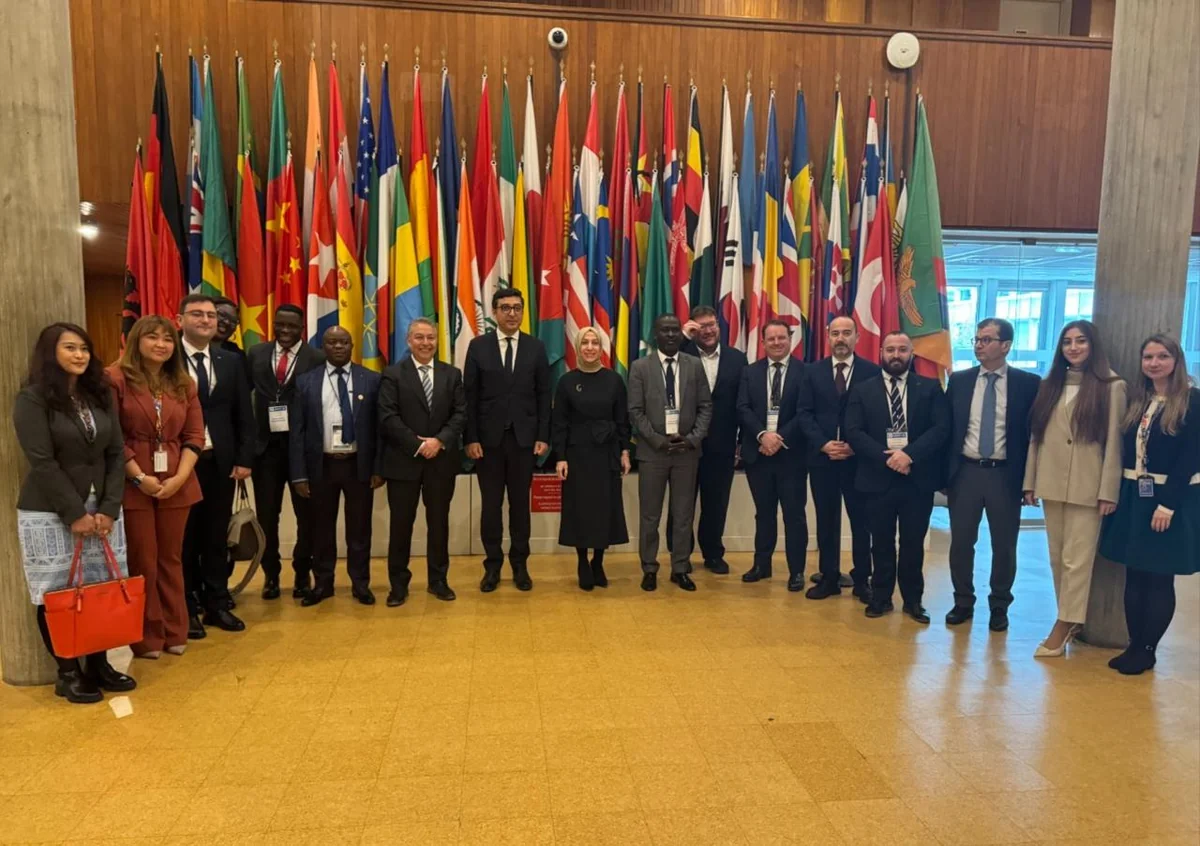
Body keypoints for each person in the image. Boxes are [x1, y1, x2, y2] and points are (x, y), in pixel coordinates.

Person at [14, 323, 137, 703]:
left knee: (100, 585)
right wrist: (74, 513)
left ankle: (99, 665)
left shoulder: (98, 394)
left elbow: (115, 453)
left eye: (84, 348)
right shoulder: (33, 399)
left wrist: (109, 508)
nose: (80, 355)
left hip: (102, 509)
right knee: (56, 592)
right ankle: (67, 672)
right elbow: (41, 461)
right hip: (51, 509)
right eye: (70, 348)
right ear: (50, 352)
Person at [1024, 320, 1126, 658]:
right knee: (1056, 557)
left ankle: (1066, 621)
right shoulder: (1049, 385)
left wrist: (1108, 490)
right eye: (1067, 342)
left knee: (1076, 560)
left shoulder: (1111, 386)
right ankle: (1068, 616)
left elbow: (1115, 443)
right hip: (1052, 482)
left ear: (1092, 345)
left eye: (1081, 341)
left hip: (1088, 485)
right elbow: (1036, 438)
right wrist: (1030, 481)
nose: (1074, 347)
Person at [1099, 334, 1198, 675]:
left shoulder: (1193, 401)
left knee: (1158, 576)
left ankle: (1147, 649)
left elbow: (1191, 457)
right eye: (1148, 357)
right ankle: (1134, 643)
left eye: (1162, 356)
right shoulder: (1139, 400)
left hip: (1170, 499)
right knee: (1135, 573)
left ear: (1176, 360)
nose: (1154, 363)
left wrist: (1167, 505)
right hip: (1135, 495)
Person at [108, 316, 205, 658]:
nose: (161, 344)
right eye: (153, 337)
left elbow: (195, 435)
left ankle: (175, 630)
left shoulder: (183, 383)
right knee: (143, 559)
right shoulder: (114, 379)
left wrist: (179, 477)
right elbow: (112, 436)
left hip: (177, 480)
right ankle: (148, 637)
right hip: (133, 481)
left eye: (167, 339)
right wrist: (138, 477)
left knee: (171, 558)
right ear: (136, 340)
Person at [845, 331, 949, 623]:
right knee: (881, 542)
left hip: (917, 479)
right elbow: (853, 431)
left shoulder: (930, 388)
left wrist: (909, 455)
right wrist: (889, 458)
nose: (896, 355)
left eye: (902, 349)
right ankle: (881, 597)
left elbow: (941, 429)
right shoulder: (862, 390)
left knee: (913, 543)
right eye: (890, 349)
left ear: (911, 354)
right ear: (881, 353)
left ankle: (913, 601)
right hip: (877, 479)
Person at [944, 318, 1041, 632]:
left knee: (1004, 545)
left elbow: (1035, 435)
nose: (978, 345)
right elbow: (948, 429)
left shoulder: (1028, 384)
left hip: (1005, 475)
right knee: (961, 542)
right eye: (976, 339)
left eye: (986, 340)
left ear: (1006, 346)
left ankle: (999, 605)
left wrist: (1031, 481)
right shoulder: (960, 381)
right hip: (966, 472)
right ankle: (962, 601)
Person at [177, 294, 254, 639]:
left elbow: (243, 413)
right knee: (185, 539)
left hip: (220, 463)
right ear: (179, 319)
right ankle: (187, 607)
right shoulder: (168, 358)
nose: (206, 320)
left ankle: (217, 603)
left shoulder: (230, 361)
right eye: (197, 314)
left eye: (210, 315)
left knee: (215, 537)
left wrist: (244, 458)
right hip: (180, 465)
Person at [464, 287, 551, 592]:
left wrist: (542, 436)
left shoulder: (535, 347)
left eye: (517, 308)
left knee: (519, 506)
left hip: (523, 441)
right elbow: (469, 396)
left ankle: (520, 565)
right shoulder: (478, 346)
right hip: (487, 443)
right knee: (491, 506)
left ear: (523, 312)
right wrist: (471, 438)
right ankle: (492, 566)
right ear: (494, 312)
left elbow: (544, 395)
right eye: (505, 308)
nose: (511, 313)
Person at [289, 327, 383, 606]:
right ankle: (323, 584)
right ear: (323, 347)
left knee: (360, 529)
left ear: (352, 345)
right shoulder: (305, 382)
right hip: (321, 466)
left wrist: (378, 468)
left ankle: (360, 584)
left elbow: (379, 429)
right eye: (332, 342)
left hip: (358, 466)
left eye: (344, 342)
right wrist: (299, 475)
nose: (338, 347)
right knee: (321, 529)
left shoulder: (371, 380)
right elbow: (297, 432)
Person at [378, 318, 465, 606]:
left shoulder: (452, 374)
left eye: (430, 338)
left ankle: (438, 580)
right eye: (419, 337)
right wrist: (418, 445)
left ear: (437, 341)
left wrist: (439, 441)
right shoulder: (392, 374)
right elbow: (388, 416)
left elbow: (460, 414)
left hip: (441, 463)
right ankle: (398, 585)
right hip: (403, 463)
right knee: (401, 526)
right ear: (409, 341)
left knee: (439, 524)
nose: (425, 343)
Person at [796, 315, 880, 601]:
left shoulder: (872, 372)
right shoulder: (812, 372)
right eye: (835, 333)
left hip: (859, 462)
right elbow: (804, 413)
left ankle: (862, 580)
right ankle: (829, 577)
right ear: (828, 337)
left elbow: (876, 417)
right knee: (827, 520)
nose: (840, 338)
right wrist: (823, 444)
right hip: (823, 461)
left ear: (857, 337)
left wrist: (857, 446)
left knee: (862, 522)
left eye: (846, 333)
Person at [628, 313, 713, 592]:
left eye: (675, 330)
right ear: (655, 334)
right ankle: (649, 568)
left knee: (683, 514)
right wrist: (657, 441)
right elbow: (635, 411)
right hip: (652, 453)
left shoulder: (694, 365)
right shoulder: (640, 367)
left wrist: (693, 439)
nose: (671, 335)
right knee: (650, 515)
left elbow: (705, 406)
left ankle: (680, 568)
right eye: (665, 330)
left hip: (686, 453)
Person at [247, 304, 324, 600]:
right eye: (280, 324)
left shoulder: (317, 358)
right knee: (268, 516)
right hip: (265, 450)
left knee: (308, 517)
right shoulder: (256, 354)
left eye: (291, 326)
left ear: (302, 328)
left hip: (301, 450)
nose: (285, 331)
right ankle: (271, 574)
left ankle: (302, 572)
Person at [553, 327, 631, 591]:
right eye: (584, 342)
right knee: (580, 510)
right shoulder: (566, 382)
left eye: (594, 343)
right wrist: (560, 457)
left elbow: (622, 420)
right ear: (577, 347)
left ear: (601, 348)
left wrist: (624, 452)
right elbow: (559, 423)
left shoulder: (614, 380)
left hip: (606, 454)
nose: (589, 347)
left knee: (604, 509)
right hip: (577, 455)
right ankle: (582, 561)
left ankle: (598, 561)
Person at [737, 320, 809, 590]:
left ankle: (796, 571)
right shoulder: (749, 372)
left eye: (782, 337)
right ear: (763, 342)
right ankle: (761, 565)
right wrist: (762, 435)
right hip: (758, 454)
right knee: (763, 513)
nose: (777, 343)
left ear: (790, 339)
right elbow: (742, 408)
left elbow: (805, 411)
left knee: (794, 515)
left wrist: (779, 438)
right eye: (771, 338)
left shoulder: (806, 372)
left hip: (792, 456)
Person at [677, 305, 746, 574]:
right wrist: (683, 337)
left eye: (712, 324)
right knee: (682, 504)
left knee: (716, 503)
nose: (708, 331)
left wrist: (741, 441)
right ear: (692, 329)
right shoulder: (681, 354)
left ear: (719, 325)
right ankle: (680, 554)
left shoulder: (737, 359)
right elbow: (662, 370)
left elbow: (743, 403)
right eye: (701, 326)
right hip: (685, 444)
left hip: (722, 444)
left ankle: (713, 553)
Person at [213, 296, 246, 367]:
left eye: (233, 321)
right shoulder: (189, 346)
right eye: (222, 315)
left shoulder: (237, 355)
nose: (227, 322)